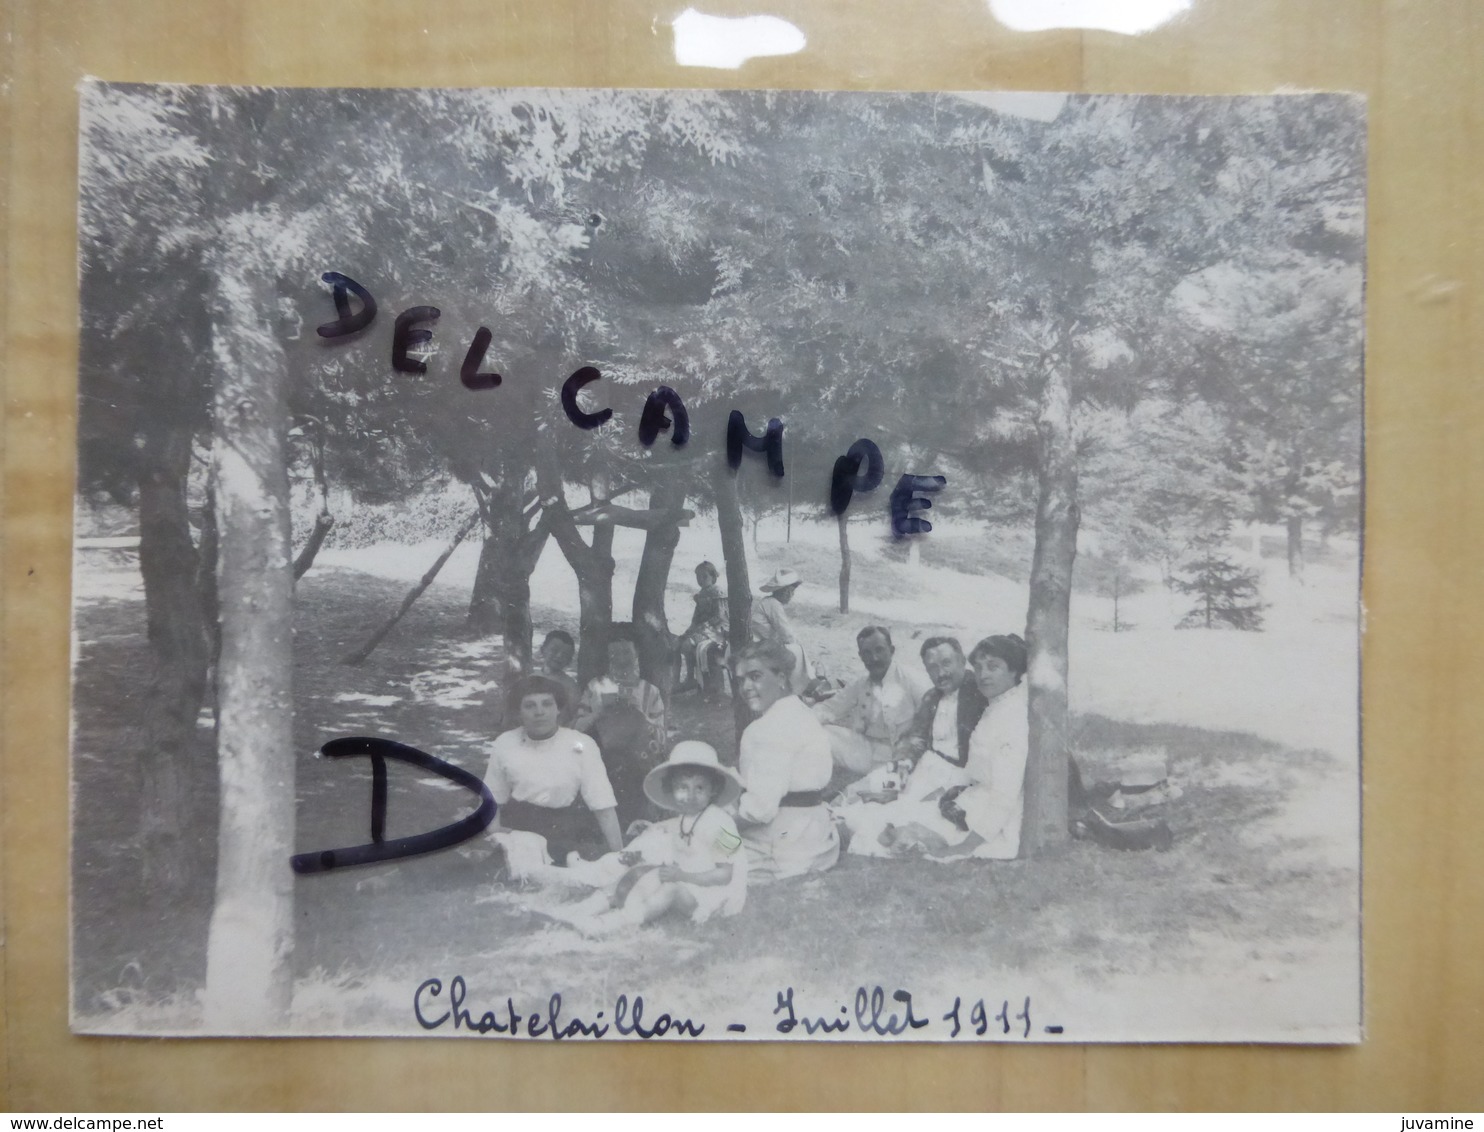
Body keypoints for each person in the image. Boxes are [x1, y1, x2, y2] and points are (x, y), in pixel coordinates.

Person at [553, 742, 748, 933]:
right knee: (637, 873)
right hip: (689, 883)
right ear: (671, 789)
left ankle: (615, 923)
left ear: (713, 789)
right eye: (682, 787)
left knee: (669, 889)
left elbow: (725, 875)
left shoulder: (722, 824)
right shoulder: (686, 818)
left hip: (715, 896)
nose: (690, 795)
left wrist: (682, 876)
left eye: (699, 788)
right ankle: (581, 910)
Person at [729, 643, 839, 879]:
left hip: (783, 840)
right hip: (818, 836)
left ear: (780, 678)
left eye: (755, 676)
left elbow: (760, 810)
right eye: (740, 680)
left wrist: (717, 823)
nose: (746, 687)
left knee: (698, 847)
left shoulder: (765, 728)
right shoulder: (802, 713)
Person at [485, 674, 623, 861]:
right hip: (518, 831)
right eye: (530, 705)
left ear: (558, 709)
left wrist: (619, 856)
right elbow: (493, 799)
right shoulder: (505, 743)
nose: (539, 712)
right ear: (519, 712)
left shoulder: (581, 744)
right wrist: (498, 836)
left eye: (547, 704)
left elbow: (603, 805)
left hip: (563, 834)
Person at [925, 633, 1031, 861]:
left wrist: (964, 848)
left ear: (1014, 671)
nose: (982, 675)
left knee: (909, 831)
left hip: (996, 822)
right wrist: (945, 789)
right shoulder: (997, 707)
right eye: (979, 667)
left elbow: (1004, 797)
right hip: (976, 800)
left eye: (993, 667)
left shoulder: (1013, 717)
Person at [573, 632, 669, 828]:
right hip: (602, 758)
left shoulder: (650, 691)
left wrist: (640, 715)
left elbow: (661, 738)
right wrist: (598, 713)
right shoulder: (595, 686)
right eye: (614, 653)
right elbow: (576, 730)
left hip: (639, 762)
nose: (621, 658)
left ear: (637, 653)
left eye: (626, 652)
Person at [812, 625, 930, 779]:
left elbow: (933, 719)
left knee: (856, 796)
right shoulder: (861, 683)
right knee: (818, 732)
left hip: (898, 757)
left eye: (879, 650)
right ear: (860, 656)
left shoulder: (912, 680)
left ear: (892, 650)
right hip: (864, 752)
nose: (874, 658)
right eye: (867, 653)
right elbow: (830, 708)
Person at [896, 636, 989, 799]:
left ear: (962, 660)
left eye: (946, 663)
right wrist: (904, 763)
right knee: (882, 792)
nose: (940, 674)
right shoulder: (931, 697)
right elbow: (916, 737)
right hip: (928, 768)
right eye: (932, 667)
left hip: (963, 778)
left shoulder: (982, 693)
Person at [748, 568, 810, 693]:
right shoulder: (773, 604)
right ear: (784, 591)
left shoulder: (769, 602)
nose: (791, 595)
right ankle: (799, 688)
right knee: (796, 650)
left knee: (795, 648)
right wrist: (796, 643)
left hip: (761, 641)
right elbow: (785, 632)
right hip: (759, 644)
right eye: (790, 591)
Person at [676, 561, 729, 697]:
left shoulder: (718, 592)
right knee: (681, 642)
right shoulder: (701, 594)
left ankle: (696, 680)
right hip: (704, 628)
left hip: (717, 629)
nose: (700, 580)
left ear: (713, 576)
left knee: (689, 644)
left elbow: (720, 616)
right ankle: (690, 678)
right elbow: (696, 619)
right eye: (698, 577)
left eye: (704, 577)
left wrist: (702, 628)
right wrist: (689, 631)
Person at [534, 629, 581, 723]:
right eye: (554, 650)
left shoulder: (570, 686)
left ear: (569, 660)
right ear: (543, 650)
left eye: (565, 654)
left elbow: (576, 717)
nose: (559, 656)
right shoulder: (532, 678)